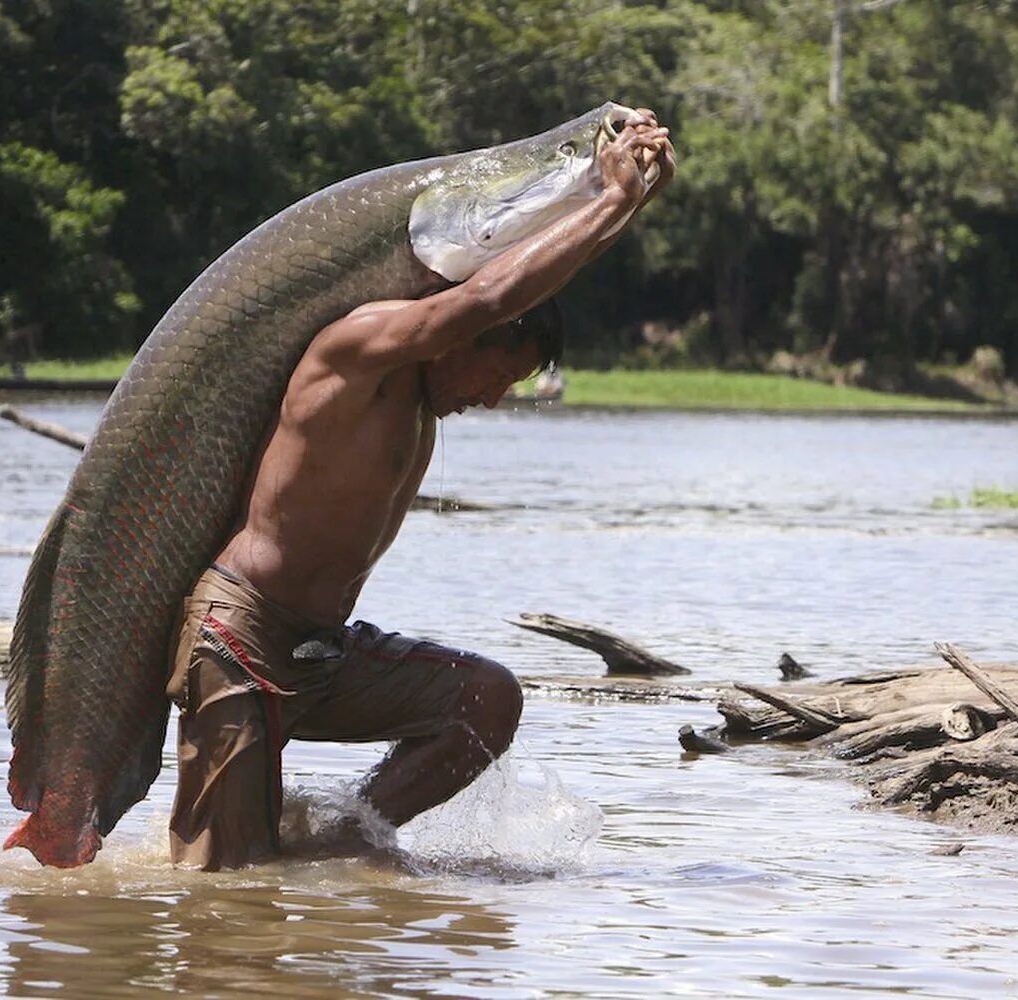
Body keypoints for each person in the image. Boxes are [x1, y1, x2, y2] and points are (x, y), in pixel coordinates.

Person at [166, 115, 676, 870]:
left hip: (322, 648)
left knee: (485, 699)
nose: (494, 399)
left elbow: (504, 289)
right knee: (222, 894)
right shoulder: (359, 349)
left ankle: (342, 836)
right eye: (498, 376)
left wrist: (631, 197)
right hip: (241, 640)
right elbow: (480, 298)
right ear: (463, 338)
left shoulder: (418, 403)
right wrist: (606, 201)